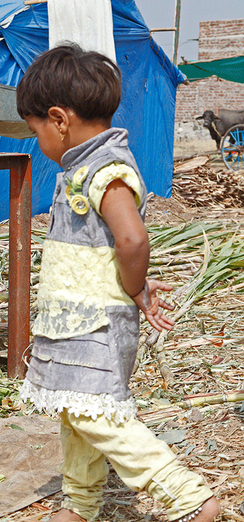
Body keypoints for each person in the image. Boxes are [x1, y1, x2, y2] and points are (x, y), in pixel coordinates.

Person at [15, 44, 219, 522]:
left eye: (35, 130)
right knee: (74, 412)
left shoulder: (106, 171)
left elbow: (132, 239)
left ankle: (189, 498)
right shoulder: (82, 169)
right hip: (70, 324)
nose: (37, 141)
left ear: (59, 120)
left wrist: (135, 288)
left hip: (96, 325)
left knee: (95, 415)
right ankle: (81, 503)